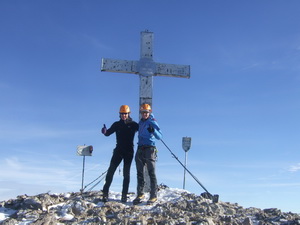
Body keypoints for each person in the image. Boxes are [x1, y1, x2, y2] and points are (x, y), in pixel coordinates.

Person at [101, 105, 138, 203]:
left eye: (125, 114)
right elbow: (108, 133)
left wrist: (151, 121)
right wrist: (104, 131)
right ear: (119, 114)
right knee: (110, 171)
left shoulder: (133, 124)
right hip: (118, 150)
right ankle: (105, 194)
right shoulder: (117, 124)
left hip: (129, 151)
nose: (123, 115)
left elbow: (143, 128)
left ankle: (124, 195)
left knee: (126, 174)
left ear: (128, 114)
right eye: (122, 114)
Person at [133, 103, 163, 205]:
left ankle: (153, 195)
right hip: (140, 147)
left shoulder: (152, 122)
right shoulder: (140, 122)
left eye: (146, 112)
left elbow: (160, 136)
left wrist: (153, 131)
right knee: (139, 172)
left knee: (151, 172)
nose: (145, 114)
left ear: (149, 112)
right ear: (141, 113)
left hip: (150, 148)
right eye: (143, 112)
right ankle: (140, 193)